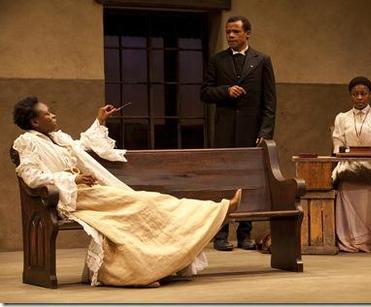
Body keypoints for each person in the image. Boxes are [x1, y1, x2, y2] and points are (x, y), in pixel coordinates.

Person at [12, 96, 242, 287]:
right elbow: (31, 177)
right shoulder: (27, 143)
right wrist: (72, 178)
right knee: (144, 203)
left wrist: (100, 121)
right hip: (73, 197)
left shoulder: (56, 138)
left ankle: (153, 266)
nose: (53, 116)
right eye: (47, 114)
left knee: (147, 204)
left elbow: (82, 147)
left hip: (89, 192)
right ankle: (218, 211)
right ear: (34, 122)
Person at [201, 16, 276, 251]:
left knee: (247, 182)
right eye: (228, 32)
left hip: (251, 132)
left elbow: (270, 101)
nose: (231, 36)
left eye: (235, 32)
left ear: (247, 34)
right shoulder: (217, 60)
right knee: (224, 182)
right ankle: (221, 235)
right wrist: (225, 91)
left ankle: (245, 235)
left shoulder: (261, 60)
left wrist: (265, 131)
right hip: (224, 132)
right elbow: (204, 93)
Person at [331, 76, 371, 253]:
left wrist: (368, 155)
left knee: (370, 196)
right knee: (344, 180)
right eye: (355, 94)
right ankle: (347, 241)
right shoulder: (342, 118)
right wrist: (349, 155)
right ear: (351, 96)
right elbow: (337, 145)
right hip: (348, 166)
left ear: (370, 95)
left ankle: (369, 241)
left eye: (363, 94)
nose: (359, 97)